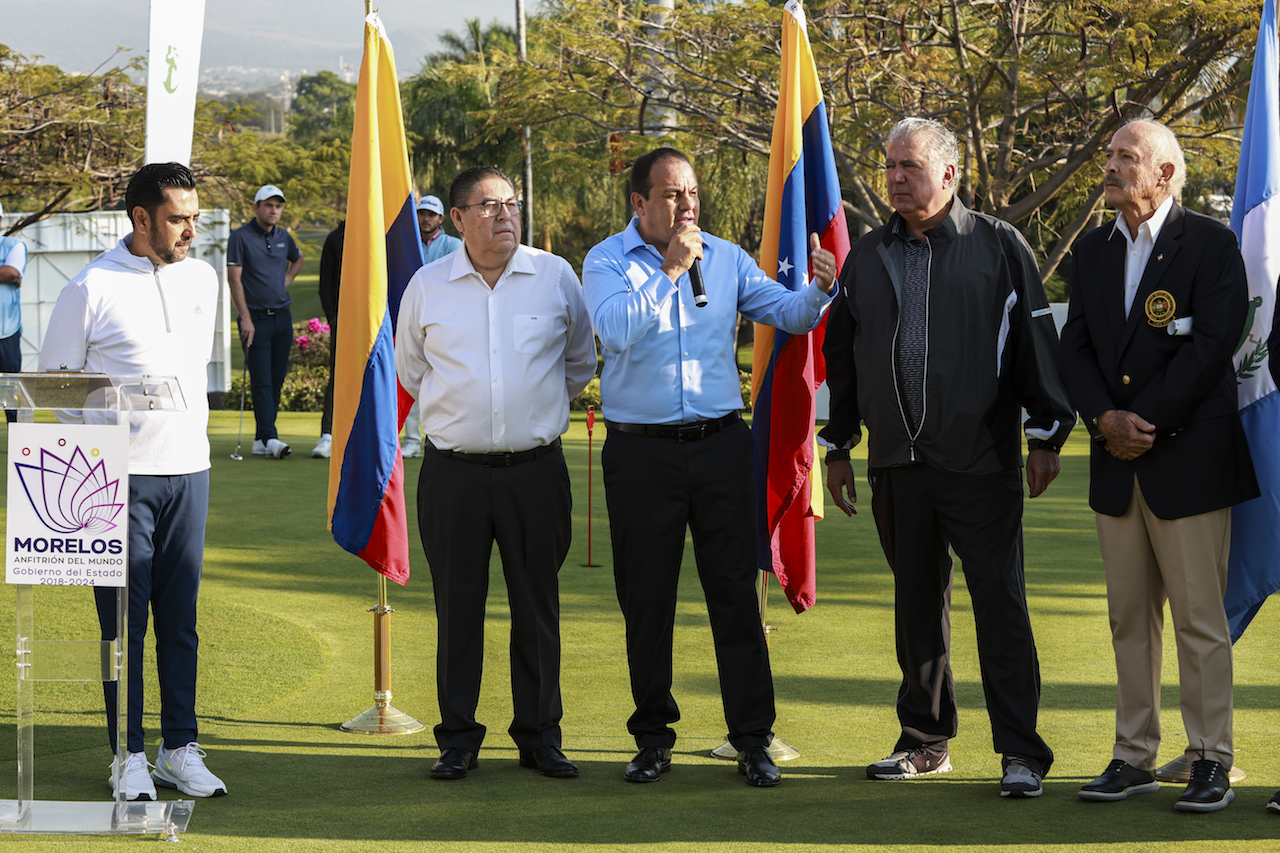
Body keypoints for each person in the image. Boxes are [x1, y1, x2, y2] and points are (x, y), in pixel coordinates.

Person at [821, 118, 1074, 799]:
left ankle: (1021, 749)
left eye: (910, 165)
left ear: (950, 174)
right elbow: (841, 359)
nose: (896, 177)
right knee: (915, 607)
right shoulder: (866, 257)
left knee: (1001, 605)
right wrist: (837, 445)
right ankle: (925, 740)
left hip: (980, 459)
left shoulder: (999, 246)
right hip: (896, 464)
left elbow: (1036, 344)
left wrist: (1045, 435)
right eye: (890, 165)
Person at [582, 147, 837, 788]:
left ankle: (751, 738)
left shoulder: (724, 258)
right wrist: (669, 272)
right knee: (648, 601)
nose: (687, 205)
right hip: (642, 452)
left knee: (734, 598)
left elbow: (788, 313)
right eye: (671, 195)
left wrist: (821, 288)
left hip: (722, 447)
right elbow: (613, 331)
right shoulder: (607, 260)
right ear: (639, 203)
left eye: (692, 192)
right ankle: (652, 738)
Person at [1060, 119, 1258, 813]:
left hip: (1189, 461)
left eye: (1126, 156)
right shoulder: (1090, 251)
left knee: (1200, 620)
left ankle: (1209, 757)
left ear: (1166, 173)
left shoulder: (1211, 243)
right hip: (1118, 464)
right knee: (1128, 619)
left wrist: (1146, 423)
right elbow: (1074, 350)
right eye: (1109, 153)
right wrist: (1105, 422)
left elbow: (1212, 346)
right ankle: (1133, 752)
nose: (1109, 166)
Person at [395, 166, 596, 781]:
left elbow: (579, 362)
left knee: (537, 606)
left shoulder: (554, 276)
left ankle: (540, 735)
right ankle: (457, 737)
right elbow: (412, 372)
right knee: (458, 608)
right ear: (457, 219)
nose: (504, 215)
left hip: (534, 471)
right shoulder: (427, 286)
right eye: (487, 206)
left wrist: (526, 417)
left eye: (510, 204)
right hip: (453, 474)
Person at [38, 162, 227, 801]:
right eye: (178, 217)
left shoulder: (202, 278)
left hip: (189, 471)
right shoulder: (90, 286)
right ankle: (128, 755)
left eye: (194, 216)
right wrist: (110, 432)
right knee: (123, 623)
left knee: (180, 619)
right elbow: (56, 389)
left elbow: (194, 364)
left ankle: (179, 749)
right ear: (141, 218)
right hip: (114, 483)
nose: (190, 229)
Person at [227, 184, 303, 459]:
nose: (274, 210)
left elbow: (298, 258)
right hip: (255, 319)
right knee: (261, 381)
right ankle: (271, 438)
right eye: (269, 205)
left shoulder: (284, 236)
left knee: (277, 379)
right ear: (256, 207)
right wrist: (245, 319)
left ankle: (261, 438)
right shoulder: (240, 237)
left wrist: (288, 279)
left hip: (282, 317)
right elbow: (234, 278)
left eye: (278, 206)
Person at [312, 221, 344, 459]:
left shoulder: (379, 235)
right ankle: (328, 435)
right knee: (338, 377)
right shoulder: (336, 238)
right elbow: (326, 283)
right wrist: (333, 318)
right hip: (342, 322)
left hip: (375, 324)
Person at [0, 202, 27, 382]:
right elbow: (8, 274)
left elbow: (12, 272)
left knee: (10, 384)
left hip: (6, 329)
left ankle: (12, 412)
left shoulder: (13, 245)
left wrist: (10, 274)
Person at [417, 193, 461, 264]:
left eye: (431, 214)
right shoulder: (407, 244)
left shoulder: (453, 245)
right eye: (422, 213)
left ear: (441, 219)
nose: (426, 219)